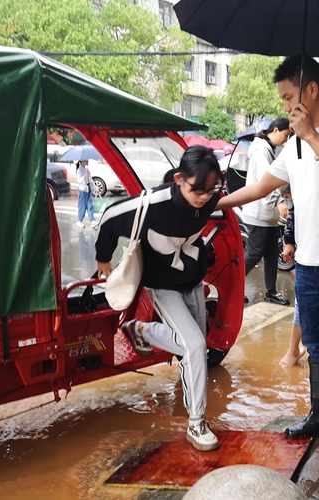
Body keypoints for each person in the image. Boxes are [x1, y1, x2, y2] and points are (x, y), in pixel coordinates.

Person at [216, 56, 319, 438]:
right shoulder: (292, 146)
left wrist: (312, 136)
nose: (285, 108)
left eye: (288, 98)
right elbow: (259, 188)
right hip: (307, 263)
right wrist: (212, 203)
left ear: (312, 90)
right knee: (318, 346)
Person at [95, 145, 225, 452]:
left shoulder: (208, 194)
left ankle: (140, 330)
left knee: (195, 347)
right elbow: (111, 216)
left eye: (212, 190)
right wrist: (103, 258)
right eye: (198, 190)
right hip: (162, 285)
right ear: (179, 179)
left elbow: (231, 196)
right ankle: (196, 422)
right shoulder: (154, 204)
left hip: (193, 281)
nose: (206, 197)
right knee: (194, 345)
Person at [242, 117, 292, 306]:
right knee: (254, 254)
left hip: (268, 216)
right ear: (276, 130)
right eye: (286, 135)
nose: (286, 141)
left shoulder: (268, 150)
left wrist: (284, 194)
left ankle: (271, 291)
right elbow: (266, 181)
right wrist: (279, 200)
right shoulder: (261, 150)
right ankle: (234, 288)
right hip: (258, 215)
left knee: (271, 253)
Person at [279, 203, 306, 367]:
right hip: (308, 253)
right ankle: (293, 348)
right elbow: (296, 209)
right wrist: (290, 241)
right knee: (302, 303)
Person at [76, 160, 98, 229]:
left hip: (88, 189)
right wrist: (85, 176)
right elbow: (79, 180)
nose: (87, 161)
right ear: (82, 162)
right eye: (85, 160)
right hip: (82, 189)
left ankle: (92, 220)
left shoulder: (87, 170)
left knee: (90, 204)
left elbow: (91, 181)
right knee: (82, 205)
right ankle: (79, 220)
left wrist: (96, 189)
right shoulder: (79, 170)